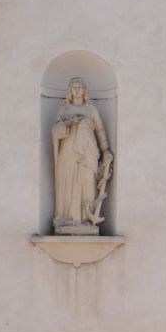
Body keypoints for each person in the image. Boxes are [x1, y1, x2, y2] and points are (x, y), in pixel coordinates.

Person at [52, 77, 112, 232]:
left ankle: (85, 219)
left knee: (86, 181)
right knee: (69, 180)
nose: (77, 89)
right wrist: (68, 124)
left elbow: (100, 131)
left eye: (80, 87)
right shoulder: (64, 109)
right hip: (68, 151)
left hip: (87, 151)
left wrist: (105, 150)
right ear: (70, 90)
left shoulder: (91, 110)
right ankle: (67, 218)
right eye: (74, 87)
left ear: (85, 90)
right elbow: (55, 131)